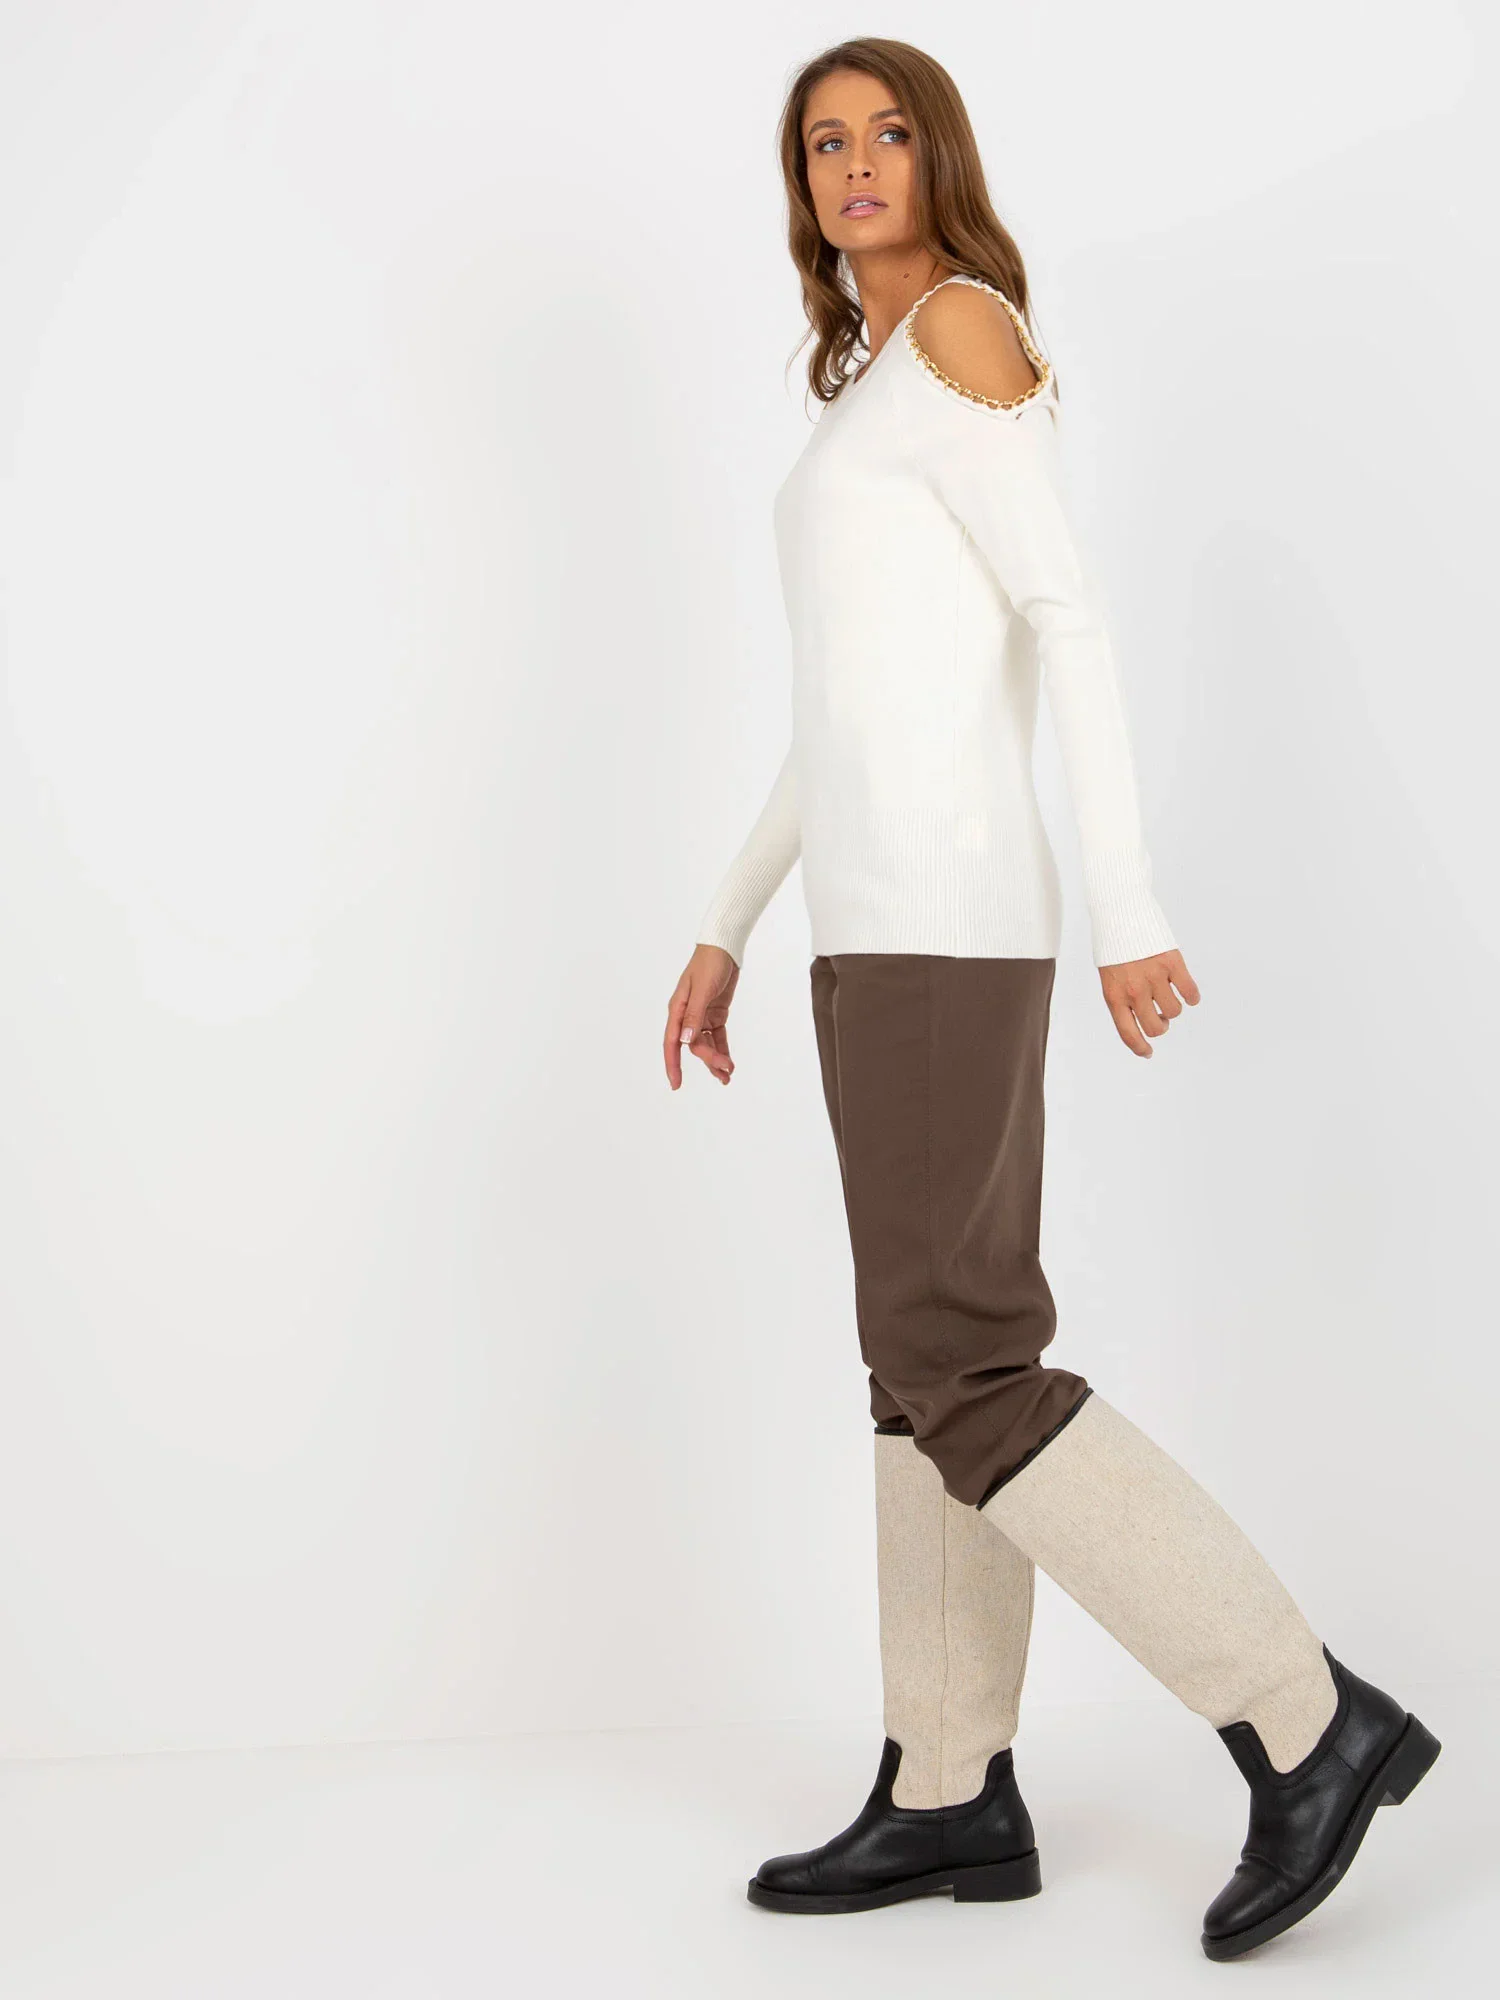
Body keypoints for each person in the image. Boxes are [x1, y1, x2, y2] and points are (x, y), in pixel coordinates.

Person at [662, 37, 1439, 1963]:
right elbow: (839, 716)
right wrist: (728, 920)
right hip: (871, 926)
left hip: (948, 920)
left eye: (886, 132)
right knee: (915, 1362)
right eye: (823, 143)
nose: (856, 164)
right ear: (801, 186)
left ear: (941, 155)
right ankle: (948, 1785)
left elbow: (1066, 619)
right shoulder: (866, 390)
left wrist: (1130, 913)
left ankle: (1308, 1719)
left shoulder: (964, 336)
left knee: (969, 1358)